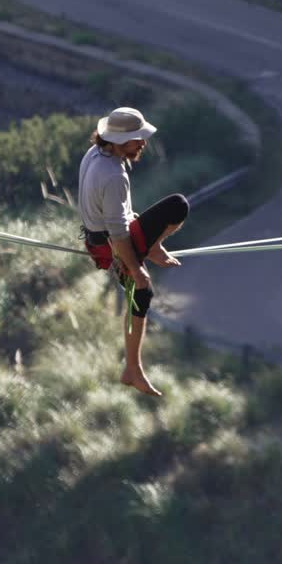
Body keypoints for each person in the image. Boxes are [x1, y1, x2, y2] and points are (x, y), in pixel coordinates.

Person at [78, 107, 189, 397]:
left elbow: (114, 214)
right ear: (116, 140)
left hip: (99, 238)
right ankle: (133, 369)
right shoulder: (114, 175)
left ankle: (132, 368)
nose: (143, 144)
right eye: (136, 139)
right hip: (111, 245)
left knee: (141, 289)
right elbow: (117, 232)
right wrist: (136, 269)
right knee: (178, 206)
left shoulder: (96, 154)